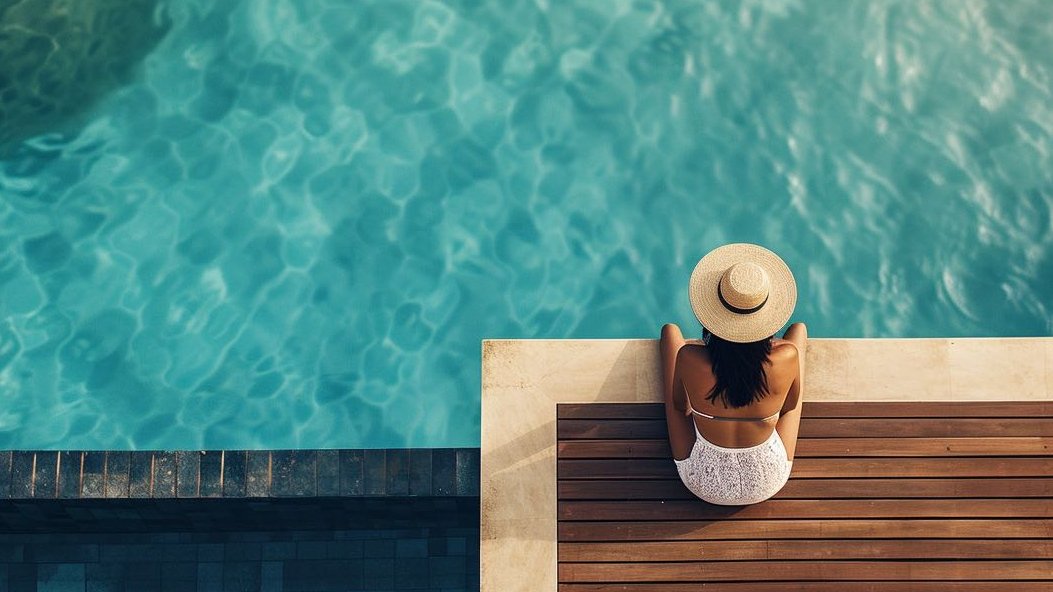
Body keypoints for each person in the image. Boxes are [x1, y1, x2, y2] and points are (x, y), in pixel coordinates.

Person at [660, 243, 806, 505]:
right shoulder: (787, 357)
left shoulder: (690, 358)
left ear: (711, 318)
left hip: (703, 482)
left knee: (670, 332)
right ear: (767, 318)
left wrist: (713, 410)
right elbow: (790, 406)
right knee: (800, 331)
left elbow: (680, 405)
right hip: (767, 480)